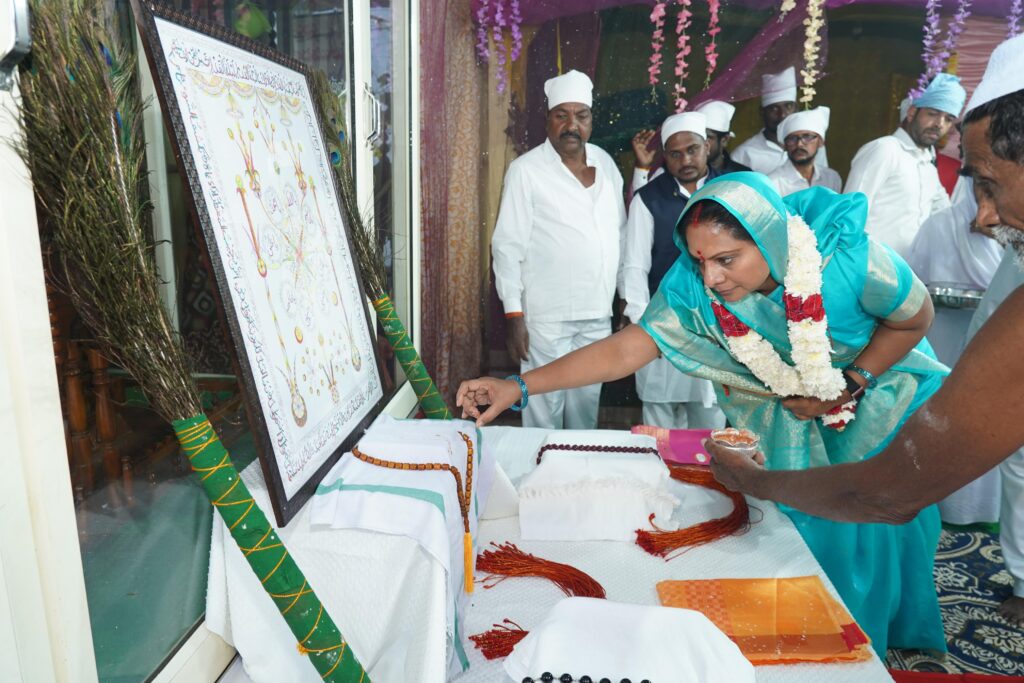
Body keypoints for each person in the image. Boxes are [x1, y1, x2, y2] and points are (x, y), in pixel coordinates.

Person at [459, 171, 947, 657]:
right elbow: (629, 349)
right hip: (794, 415)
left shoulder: (847, 259)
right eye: (700, 260)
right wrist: (517, 386)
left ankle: (867, 648)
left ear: (770, 241)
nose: (712, 277)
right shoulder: (696, 288)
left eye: (726, 259)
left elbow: (914, 318)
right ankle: (812, 640)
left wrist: (849, 382)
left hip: (877, 395)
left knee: (874, 527)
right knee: (806, 524)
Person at [703, 34, 1024, 627]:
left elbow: (889, 492)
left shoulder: (852, 261)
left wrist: (759, 482)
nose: (981, 216)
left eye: (988, 182)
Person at [490, 69, 626, 429]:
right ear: (547, 120)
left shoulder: (607, 165)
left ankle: (577, 481)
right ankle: (537, 483)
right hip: (545, 317)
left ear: (591, 120)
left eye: (581, 116)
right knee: (541, 410)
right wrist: (514, 316)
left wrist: (624, 299)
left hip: (597, 312)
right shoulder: (526, 170)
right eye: (561, 115)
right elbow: (507, 246)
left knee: (585, 411)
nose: (572, 126)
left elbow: (621, 235)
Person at [907, 176, 1005, 529]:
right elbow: (913, 281)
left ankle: (983, 510)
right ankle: (942, 506)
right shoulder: (939, 225)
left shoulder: (1012, 228)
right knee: (944, 418)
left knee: (990, 424)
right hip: (944, 337)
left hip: (998, 341)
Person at [619, 112, 725, 429]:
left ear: (707, 146)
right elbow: (635, 267)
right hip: (663, 324)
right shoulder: (649, 199)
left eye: (693, 149)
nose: (686, 159)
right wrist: (645, 328)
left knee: (710, 424)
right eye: (675, 154)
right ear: (665, 156)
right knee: (658, 426)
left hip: (716, 327)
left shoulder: (728, 191)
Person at [844, 73, 966, 258]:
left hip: (909, 273)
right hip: (869, 270)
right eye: (933, 113)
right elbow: (850, 213)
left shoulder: (927, 164)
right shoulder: (885, 149)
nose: (939, 124)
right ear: (911, 112)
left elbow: (944, 215)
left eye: (948, 119)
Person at [732, 67, 829, 174]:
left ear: (796, 108)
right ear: (762, 112)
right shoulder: (744, 154)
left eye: (788, 106)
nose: (782, 114)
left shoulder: (812, 145)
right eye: (774, 108)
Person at [767, 106, 842, 196]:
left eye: (807, 137)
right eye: (792, 138)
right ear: (784, 145)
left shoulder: (832, 178)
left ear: (821, 142)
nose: (799, 144)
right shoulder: (773, 183)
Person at [694, 100, 751, 175]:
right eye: (696, 136)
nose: (699, 142)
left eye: (707, 137)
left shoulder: (742, 175)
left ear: (724, 140)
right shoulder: (684, 174)